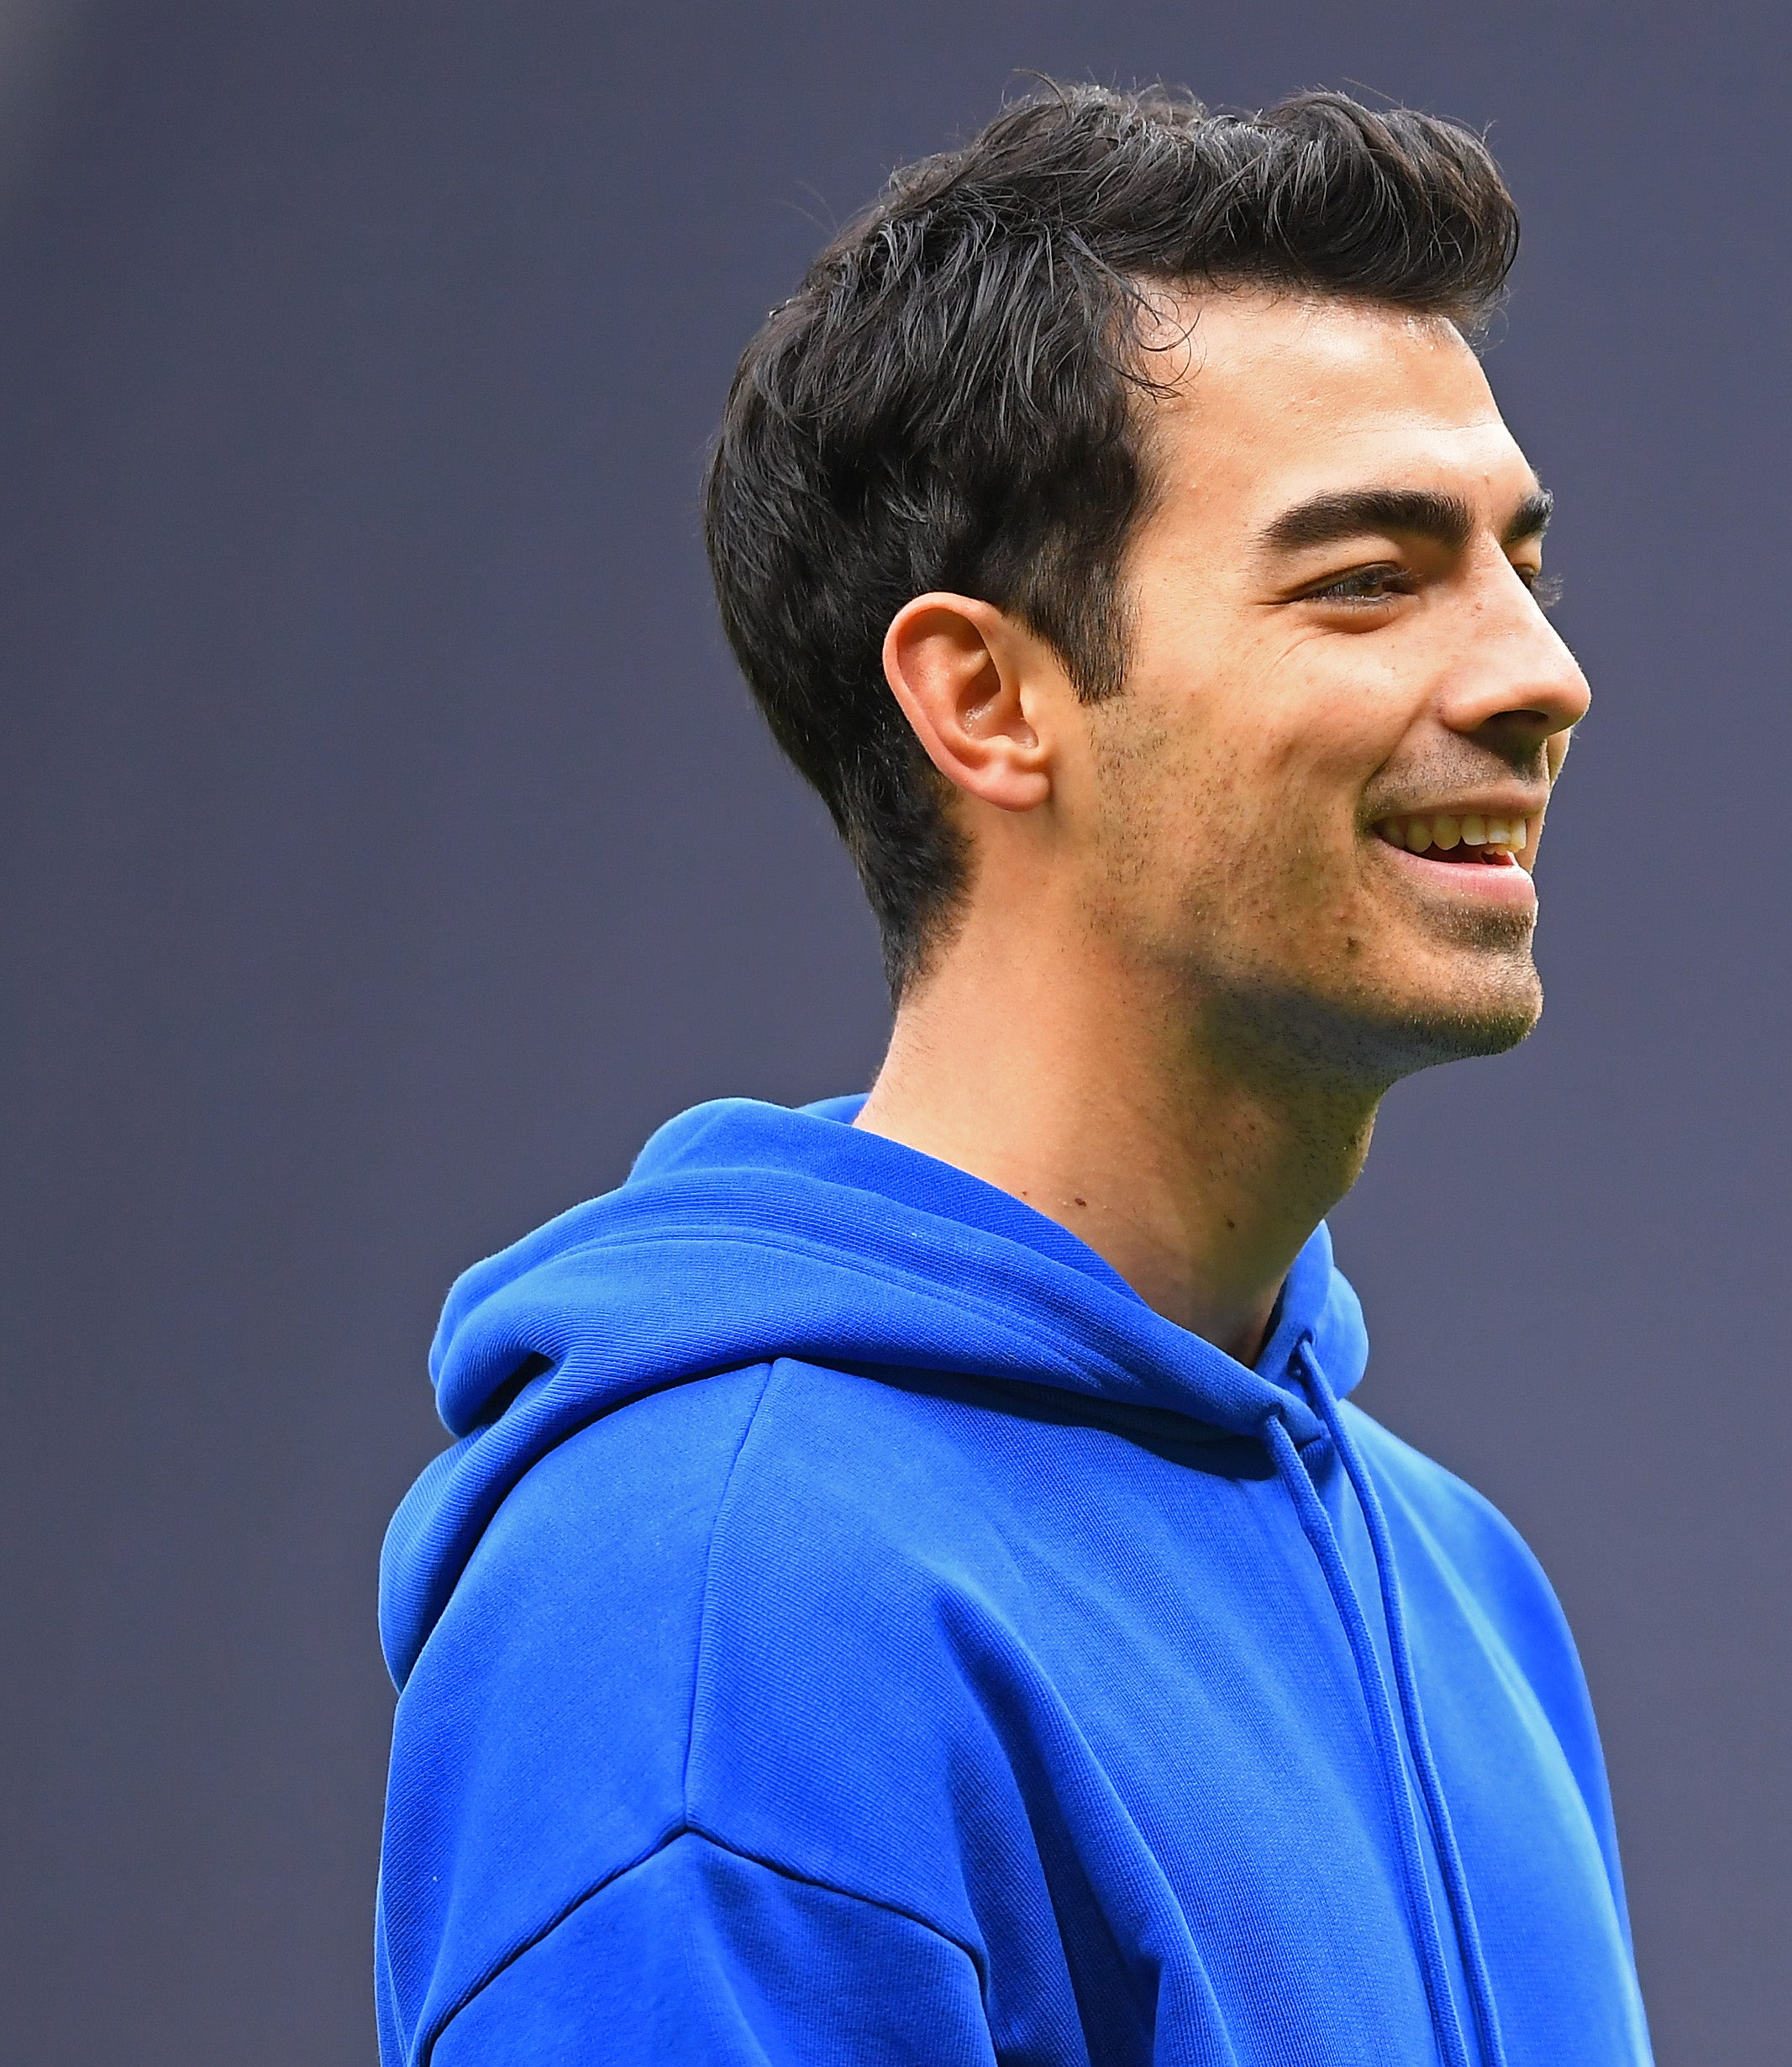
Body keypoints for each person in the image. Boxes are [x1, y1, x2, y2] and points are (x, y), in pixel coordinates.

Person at [373, 83, 1647, 2066]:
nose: (1535, 673)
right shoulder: (713, 1613)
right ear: (983, 697)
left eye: (1518, 565)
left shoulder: (1466, 1593)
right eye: (1368, 579)